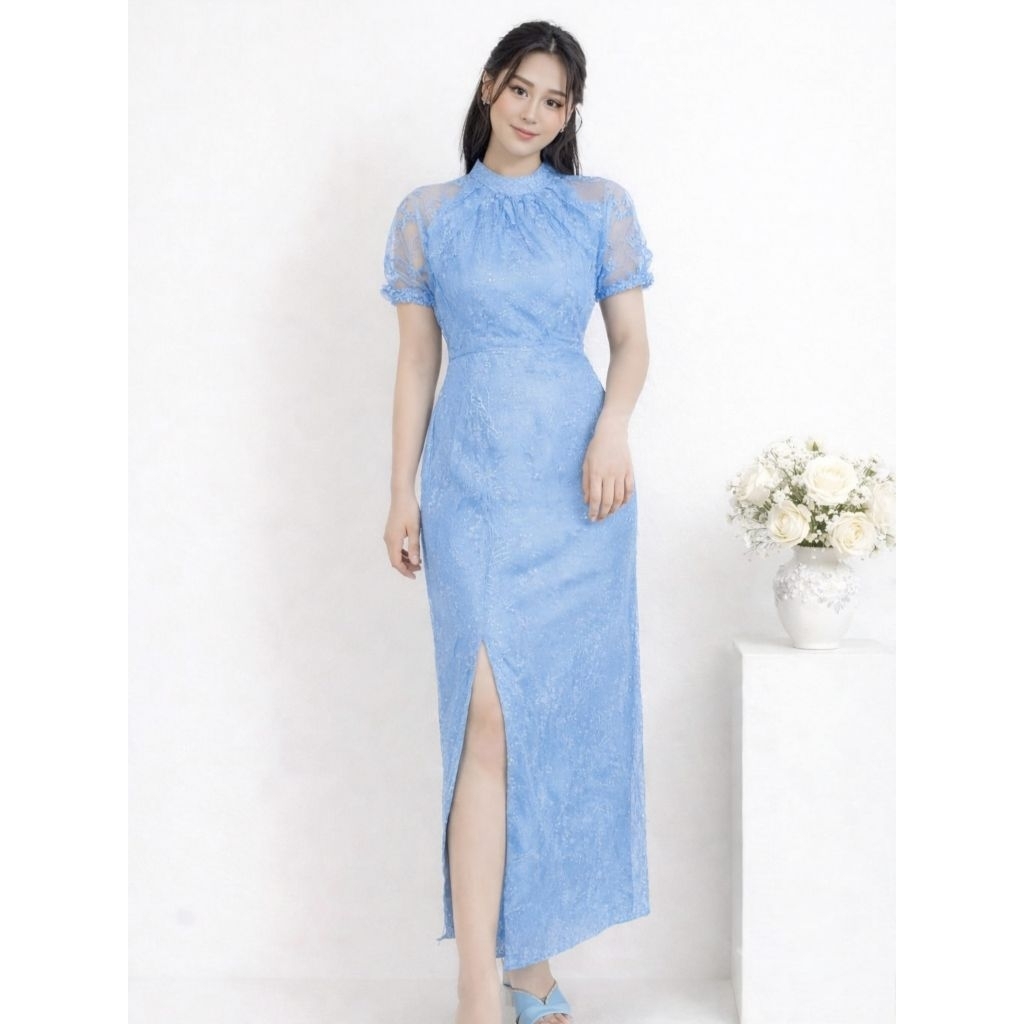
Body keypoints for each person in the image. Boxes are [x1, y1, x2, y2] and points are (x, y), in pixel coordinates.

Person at [381, 20, 653, 1024]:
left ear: (571, 113)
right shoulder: (427, 215)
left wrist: (612, 431)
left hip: (578, 486)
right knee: (484, 716)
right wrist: (400, 490)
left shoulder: (596, 207)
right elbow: (418, 361)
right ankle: (475, 993)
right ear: (490, 85)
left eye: (556, 99)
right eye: (523, 89)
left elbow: (631, 344)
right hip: (469, 488)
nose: (536, 112)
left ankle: (529, 971)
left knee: (547, 724)